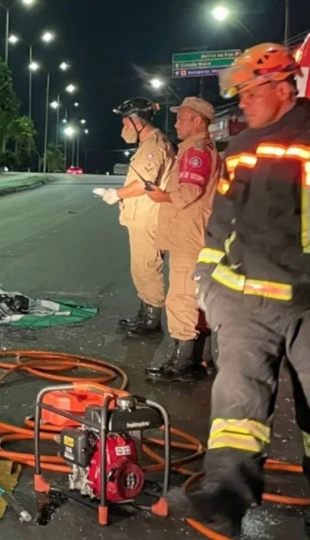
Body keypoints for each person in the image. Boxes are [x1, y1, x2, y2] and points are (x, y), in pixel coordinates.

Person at [173, 43, 310, 536]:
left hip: (306, 303)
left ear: (282, 87)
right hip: (248, 303)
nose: (242, 102)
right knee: (237, 406)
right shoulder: (244, 145)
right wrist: (207, 281)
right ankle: (224, 500)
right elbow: (222, 220)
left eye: (249, 92)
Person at [143, 97, 222, 382]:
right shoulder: (196, 150)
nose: (176, 123)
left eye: (181, 118)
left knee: (181, 298)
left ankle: (181, 365)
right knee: (194, 299)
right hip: (194, 234)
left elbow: (189, 193)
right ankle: (201, 359)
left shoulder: (195, 152)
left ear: (197, 121)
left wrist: (159, 195)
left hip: (189, 237)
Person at [94, 98, 176, 336]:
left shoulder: (153, 146)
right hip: (143, 216)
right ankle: (144, 314)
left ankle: (151, 321)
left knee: (147, 267)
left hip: (149, 217)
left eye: (125, 123)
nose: (123, 129)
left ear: (136, 121)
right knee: (141, 267)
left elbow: (144, 183)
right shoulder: (149, 144)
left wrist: (115, 194)